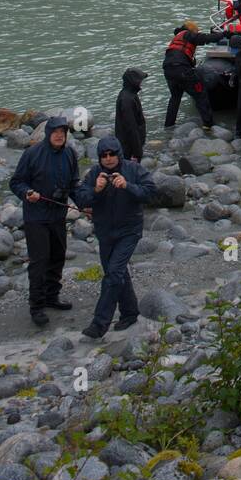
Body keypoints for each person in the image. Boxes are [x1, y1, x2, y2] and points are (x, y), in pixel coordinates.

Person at [77, 135, 157, 339]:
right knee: (117, 273)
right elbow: (81, 198)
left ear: (119, 154)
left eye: (112, 154)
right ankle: (130, 312)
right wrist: (97, 189)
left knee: (113, 273)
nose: (108, 158)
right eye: (104, 155)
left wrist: (127, 186)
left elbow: (150, 193)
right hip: (105, 232)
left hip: (129, 231)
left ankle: (99, 324)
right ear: (99, 158)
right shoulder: (94, 173)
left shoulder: (134, 169)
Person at [10, 117, 81, 328]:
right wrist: (27, 193)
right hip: (36, 217)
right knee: (39, 262)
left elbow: (74, 185)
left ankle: (52, 296)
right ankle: (37, 306)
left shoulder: (70, 154)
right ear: (48, 132)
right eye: (56, 131)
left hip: (58, 216)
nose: (59, 135)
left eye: (63, 131)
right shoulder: (32, 154)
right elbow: (16, 182)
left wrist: (86, 204)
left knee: (58, 257)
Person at [162, 20, 226, 129]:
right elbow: (205, 38)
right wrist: (223, 34)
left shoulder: (178, 36)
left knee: (175, 98)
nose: (197, 33)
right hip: (182, 70)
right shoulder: (188, 34)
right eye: (197, 32)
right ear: (192, 31)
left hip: (168, 70)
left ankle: (169, 125)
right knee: (200, 94)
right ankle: (208, 124)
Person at [114, 67, 148, 161]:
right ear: (133, 82)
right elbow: (131, 128)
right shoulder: (127, 99)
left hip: (130, 145)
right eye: (140, 80)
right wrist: (137, 152)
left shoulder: (129, 94)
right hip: (129, 148)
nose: (141, 83)